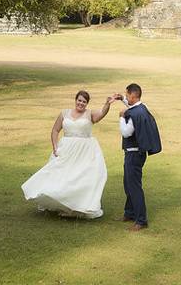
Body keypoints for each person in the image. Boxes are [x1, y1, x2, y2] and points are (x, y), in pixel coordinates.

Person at [21, 90, 117, 218]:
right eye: (79, 100)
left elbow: (102, 113)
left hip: (84, 150)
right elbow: (55, 130)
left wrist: (107, 104)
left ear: (87, 103)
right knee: (62, 176)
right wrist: (55, 147)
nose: (81, 103)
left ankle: (77, 206)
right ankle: (61, 202)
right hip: (66, 149)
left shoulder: (90, 114)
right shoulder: (64, 113)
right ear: (75, 100)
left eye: (84, 101)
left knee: (79, 177)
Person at [118, 83, 161, 231]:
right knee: (128, 183)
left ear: (132, 95)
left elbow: (125, 132)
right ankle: (129, 213)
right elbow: (132, 106)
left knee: (134, 186)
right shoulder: (142, 108)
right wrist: (121, 98)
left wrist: (121, 117)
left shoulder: (132, 114)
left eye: (127, 95)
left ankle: (141, 220)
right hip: (138, 153)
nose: (126, 97)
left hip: (133, 154)